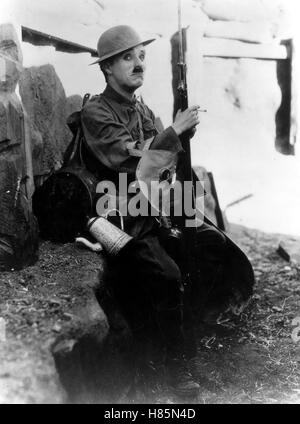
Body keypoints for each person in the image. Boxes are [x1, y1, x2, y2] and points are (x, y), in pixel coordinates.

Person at [80, 25, 255, 397]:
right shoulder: (97, 110)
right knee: (167, 273)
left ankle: (189, 323)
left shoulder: (142, 108)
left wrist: (179, 144)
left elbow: (165, 164)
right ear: (107, 68)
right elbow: (129, 163)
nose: (138, 63)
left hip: (155, 206)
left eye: (141, 56)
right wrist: (173, 132)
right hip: (122, 215)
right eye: (127, 57)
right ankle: (176, 368)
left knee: (211, 244)